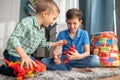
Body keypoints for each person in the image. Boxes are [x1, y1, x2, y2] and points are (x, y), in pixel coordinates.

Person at [2, 0, 66, 70]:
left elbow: (42, 43)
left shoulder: (42, 29)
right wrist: (23, 55)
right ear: (45, 14)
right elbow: (13, 38)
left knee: (39, 68)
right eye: (53, 18)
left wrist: (57, 43)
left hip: (27, 55)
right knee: (22, 71)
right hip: (14, 54)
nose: (53, 22)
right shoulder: (26, 22)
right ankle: (3, 68)